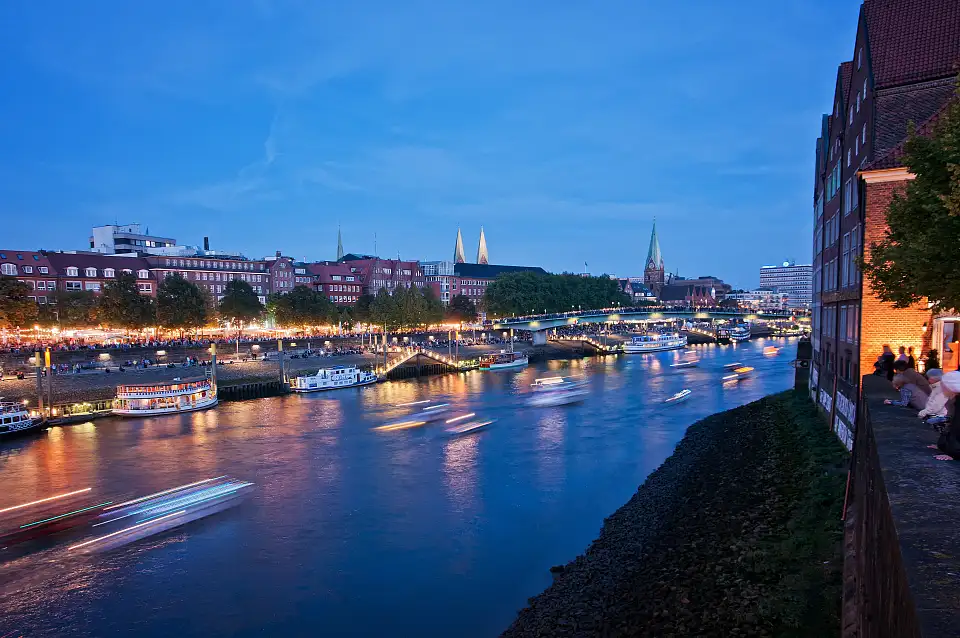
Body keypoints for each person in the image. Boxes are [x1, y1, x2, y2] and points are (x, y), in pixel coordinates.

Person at [931, 371, 960, 461]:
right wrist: (943, 446)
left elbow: (957, 428)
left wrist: (954, 454)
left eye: (943, 386)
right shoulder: (956, 400)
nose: (942, 388)